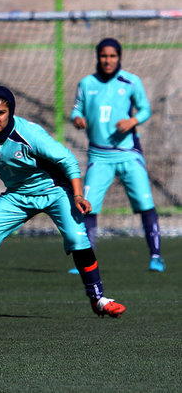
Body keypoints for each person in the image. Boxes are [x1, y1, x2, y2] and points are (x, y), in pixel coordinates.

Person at [0, 85, 125, 320]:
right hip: (17, 195)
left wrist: (77, 195)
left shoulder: (29, 133)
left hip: (54, 190)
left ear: (11, 112)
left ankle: (99, 299)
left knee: (78, 239)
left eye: (0, 112)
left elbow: (68, 159)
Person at [69, 38, 164, 273]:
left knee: (145, 203)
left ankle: (156, 256)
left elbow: (145, 109)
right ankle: (86, 262)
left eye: (112, 56)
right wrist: (77, 119)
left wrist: (132, 121)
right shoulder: (86, 83)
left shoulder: (131, 81)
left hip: (128, 154)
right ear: (97, 57)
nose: (107, 60)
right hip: (99, 157)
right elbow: (77, 109)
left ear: (119, 57)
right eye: (103, 56)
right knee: (87, 206)